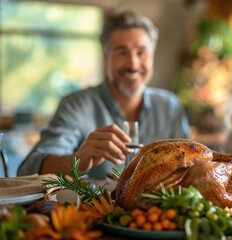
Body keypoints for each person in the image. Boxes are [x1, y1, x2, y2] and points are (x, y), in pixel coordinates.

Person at [18, 11, 190, 179]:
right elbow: (28, 169)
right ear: (105, 58)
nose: (133, 63)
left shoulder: (170, 105)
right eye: (122, 52)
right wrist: (78, 160)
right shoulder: (76, 105)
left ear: (152, 57)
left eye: (141, 52)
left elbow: (190, 166)